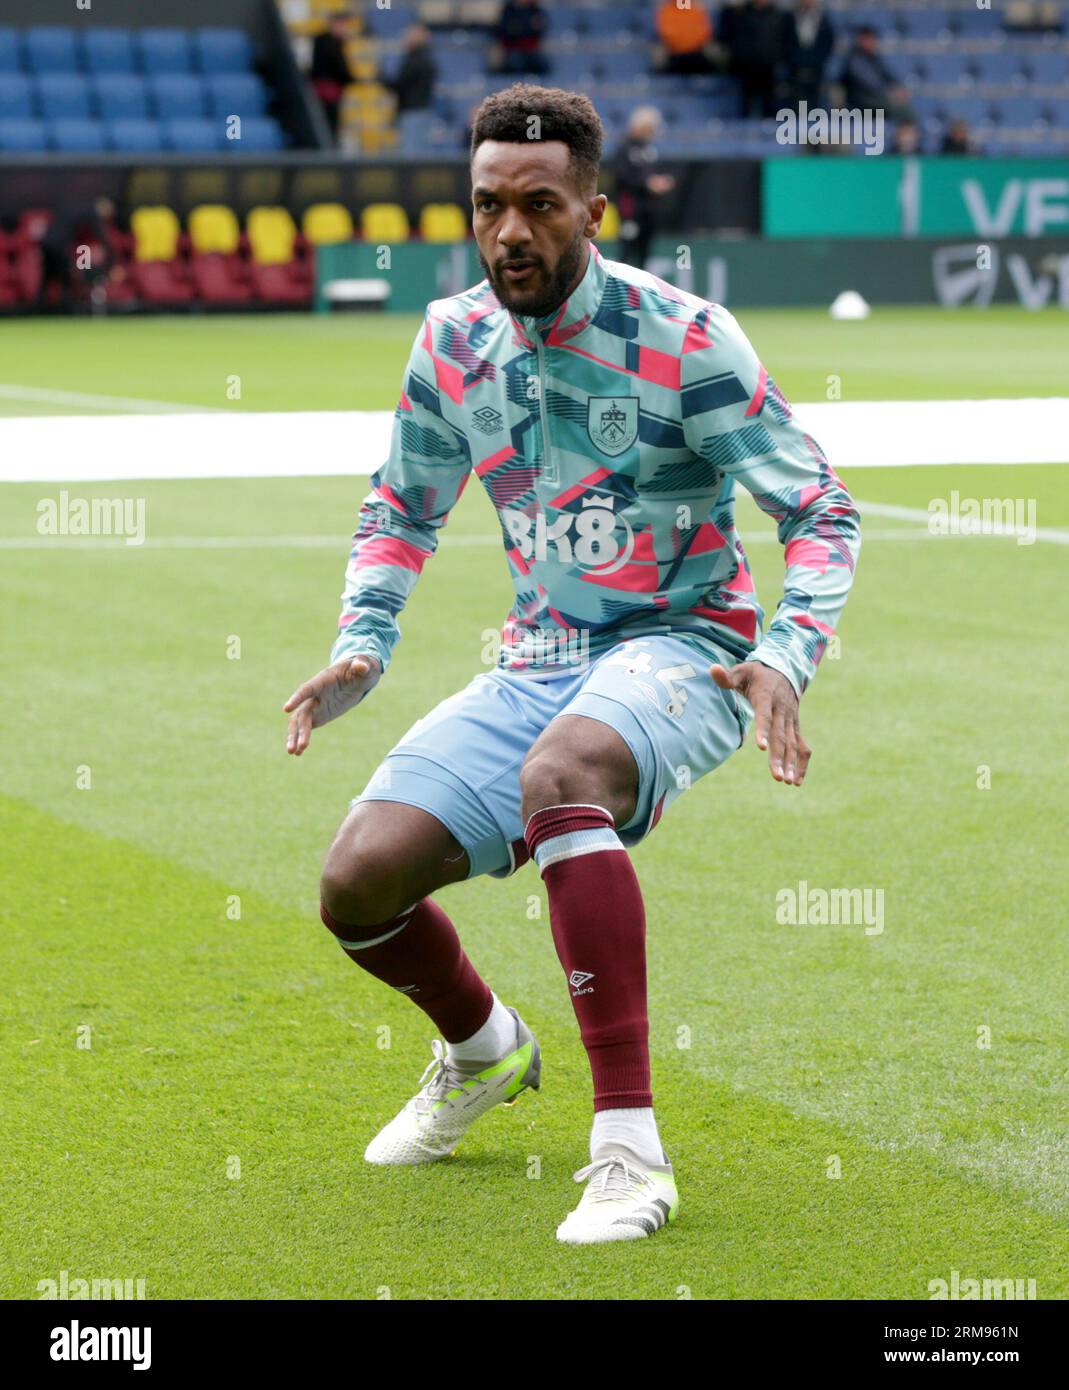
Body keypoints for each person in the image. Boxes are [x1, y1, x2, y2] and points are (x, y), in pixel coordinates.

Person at [284, 83, 860, 1246]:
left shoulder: (687, 340)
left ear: (594, 207)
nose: (510, 232)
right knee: (357, 882)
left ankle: (628, 1154)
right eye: (489, 204)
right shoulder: (451, 341)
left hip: (688, 649)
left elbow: (820, 510)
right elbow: (402, 504)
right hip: (539, 653)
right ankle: (483, 1050)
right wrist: (365, 638)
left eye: (540, 205)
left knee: (564, 777)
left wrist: (787, 657)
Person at [613, 106, 675, 271]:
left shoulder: (650, 150)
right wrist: (647, 184)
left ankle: (641, 291)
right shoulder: (625, 148)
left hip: (649, 210)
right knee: (627, 249)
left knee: (645, 254)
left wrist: (661, 182)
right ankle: (618, 288)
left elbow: (656, 171)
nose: (651, 133)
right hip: (630, 209)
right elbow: (621, 177)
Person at [36, 197, 116, 312]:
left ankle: (39, 308)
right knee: (65, 279)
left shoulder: (77, 208)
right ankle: (65, 309)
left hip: (46, 243)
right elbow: (100, 235)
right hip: (59, 245)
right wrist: (112, 255)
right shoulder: (91, 211)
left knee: (47, 278)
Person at [719, 0, 788, 118]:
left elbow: (782, 42)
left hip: (768, 68)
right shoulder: (741, 15)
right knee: (746, 108)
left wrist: (773, 58)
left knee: (769, 109)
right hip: (747, 68)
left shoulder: (778, 15)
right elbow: (734, 40)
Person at [841, 25, 913, 122]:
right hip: (862, 102)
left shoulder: (873, 58)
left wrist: (898, 87)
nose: (873, 42)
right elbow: (869, 83)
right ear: (861, 39)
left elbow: (887, 75)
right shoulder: (855, 59)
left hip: (875, 99)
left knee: (905, 108)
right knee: (905, 112)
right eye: (869, 39)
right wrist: (891, 93)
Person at [310, 10, 355, 140]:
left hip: (329, 89)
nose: (345, 28)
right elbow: (339, 67)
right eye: (343, 24)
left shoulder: (327, 41)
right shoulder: (328, 42)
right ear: (336, 24)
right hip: (327, 90)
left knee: (331, 124)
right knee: (329, 124)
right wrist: (350, 79)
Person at [784, 0, 834, 109]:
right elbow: (785, 40)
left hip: (816, 67)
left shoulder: (823, 18)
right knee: (796, 102)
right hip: (795, 67)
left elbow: (828, 42)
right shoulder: (790, 17)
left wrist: (818, 59)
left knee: (815, 102)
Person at [653, 0, 721, 76]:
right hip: (673, 54)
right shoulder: (665, 10)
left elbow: (705, 33)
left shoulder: (697, 9)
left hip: (698, 52)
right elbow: (665, 33)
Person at [386, 24, 436, 116]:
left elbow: (401, 82)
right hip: (419, 108)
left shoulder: (416, 59)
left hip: (412, 110)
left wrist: (382, 81)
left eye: (409, 35)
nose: (405, 39)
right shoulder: (426, 57)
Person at [492, 0, 549, 77]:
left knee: (541, 67)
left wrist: (523, 27)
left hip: (531, 50)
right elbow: (505, 30)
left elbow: (540, 29)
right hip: (513, 50)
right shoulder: (509, 10)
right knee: (516, 64)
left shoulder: (535, 9)